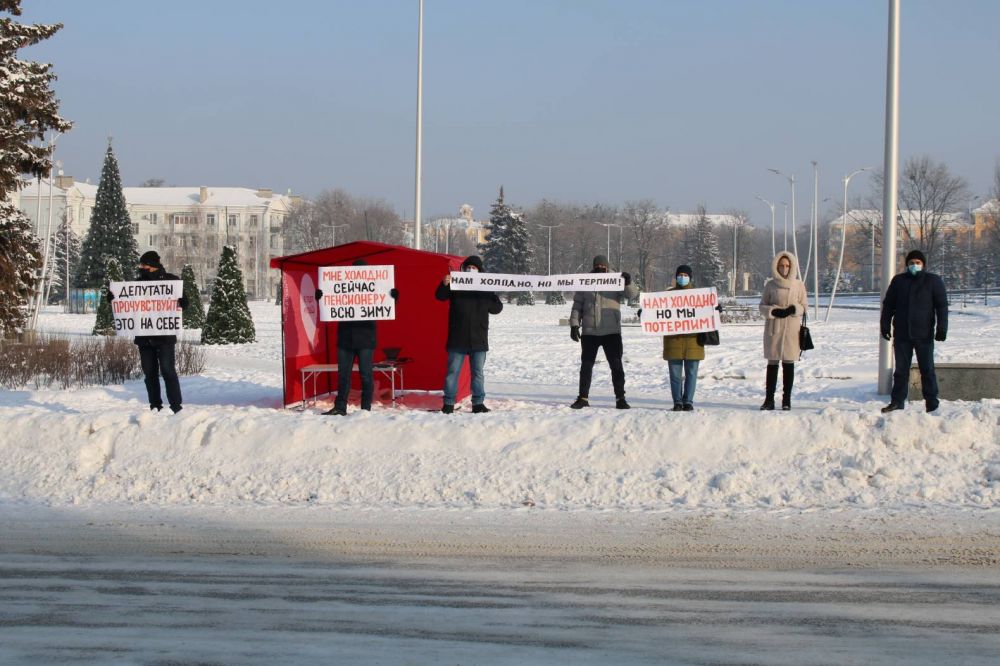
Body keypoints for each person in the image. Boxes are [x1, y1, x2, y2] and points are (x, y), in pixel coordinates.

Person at [314, 259, 398, 415]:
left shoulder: (375, 288)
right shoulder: (343, 288)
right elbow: (330, 298)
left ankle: (365, 409)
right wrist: (321, 297)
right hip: (346, 337)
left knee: (366, 375)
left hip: (365, 338)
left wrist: (393, 297)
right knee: (343, 375)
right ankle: (340, 407)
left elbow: (384, 304)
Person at [879, 249, 948, 413]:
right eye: (911, 263)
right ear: (906, 265)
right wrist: (885, 325)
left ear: (923, 264)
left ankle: (932, 403)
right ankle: (897, 401)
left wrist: (942, 328)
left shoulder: (933, 281)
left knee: (927, 370)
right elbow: (888, 305)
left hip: (924, 334)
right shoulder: (899, 281)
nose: (914, 265)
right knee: (901, 371)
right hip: (902, 334)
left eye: (918, 263)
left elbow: (942, 306)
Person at [569, 255, 639, 409]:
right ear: (593, 267)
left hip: (611, 331)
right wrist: (574, 324)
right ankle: (583, 397)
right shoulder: (585, 282)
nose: (600, 268)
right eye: (597, 266)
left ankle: (620, 398)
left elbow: (632, 295)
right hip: (589, 331)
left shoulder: (616, 280)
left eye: (603, 266)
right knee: (586, 366)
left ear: (607, 267)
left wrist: (628, 283)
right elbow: (577, 305)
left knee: (616, 366)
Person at [435, 255, 504, 414]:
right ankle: (448, 403)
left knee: (478, 373)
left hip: (478, 338)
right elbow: (439, 296)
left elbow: (497, 309)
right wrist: (444, 284)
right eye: (468, 267)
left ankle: (478, 403)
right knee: (452, 373)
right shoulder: (456, 283)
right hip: (457, 338)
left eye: (474, 268)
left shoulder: (485, 289)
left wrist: (492, 294)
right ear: (464, 269)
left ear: (480, 271)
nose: (471, 270)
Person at [133, 250, 186, 413]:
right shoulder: (136, 284)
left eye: (144, 265)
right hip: (144, 337)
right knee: (150, 373)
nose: (141, 267)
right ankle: (155, 406)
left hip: (164, 337)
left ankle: (176, 406)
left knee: (168, 370)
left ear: (153, 265)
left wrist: (182, 301)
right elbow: (125, 302)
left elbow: (185, 303)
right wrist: (113, 298)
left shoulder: (172, 281)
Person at [758, 251, 808, 411]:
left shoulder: (798, 285)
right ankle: (769, 399)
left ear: (792, 266)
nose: (784, 268)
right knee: (772, 364)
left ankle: (786, 400)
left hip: (791, 330)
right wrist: (773, 311)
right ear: (776, 266)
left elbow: (805, 307)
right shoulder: (770, 285)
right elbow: (762, 305)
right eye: (781, 265)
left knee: (788, 364)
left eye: (787, 266)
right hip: (774, 329)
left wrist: (794, 309)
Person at [662, 265, 704, 412]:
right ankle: (677, 402)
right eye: (680, 274)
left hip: (694, 341)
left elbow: (706, 312)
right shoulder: (668, 295)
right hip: (673, 341)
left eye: (685, 275)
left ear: (690, 277)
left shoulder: (699, 296)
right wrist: (647, 313)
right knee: (675, 375)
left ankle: (688, 401)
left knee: (692, 374)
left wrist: (715, 309)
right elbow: (658, 312)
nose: (682, 277)